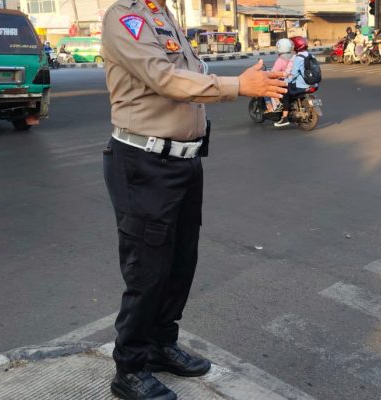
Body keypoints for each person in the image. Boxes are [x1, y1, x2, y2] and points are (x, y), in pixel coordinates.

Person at [100, 0, 287, 398]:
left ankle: (161, 345)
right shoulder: (124, 17)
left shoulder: (163, 16)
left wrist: (240, 77)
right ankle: (129, 367)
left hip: (183, 162)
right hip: (143, 162)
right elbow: (165, 79)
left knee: (180, 262)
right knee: (147, 269)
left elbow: (194, 73)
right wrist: (239, 87)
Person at [275, 36, 315, 127]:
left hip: (301, 84)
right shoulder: (310, 55)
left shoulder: (297, 58)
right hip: (313, 83)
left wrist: (285, 81)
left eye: (293, 45)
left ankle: (285, 117)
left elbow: (293, 74)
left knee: (285, 92)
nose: (292, 47)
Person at [265, 38, 293, 113]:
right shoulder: (293, 57)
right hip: (293, 81)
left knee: (267, 88)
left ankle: (275, 105)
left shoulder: (280, 60)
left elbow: (274, 72)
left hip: (283, 81)